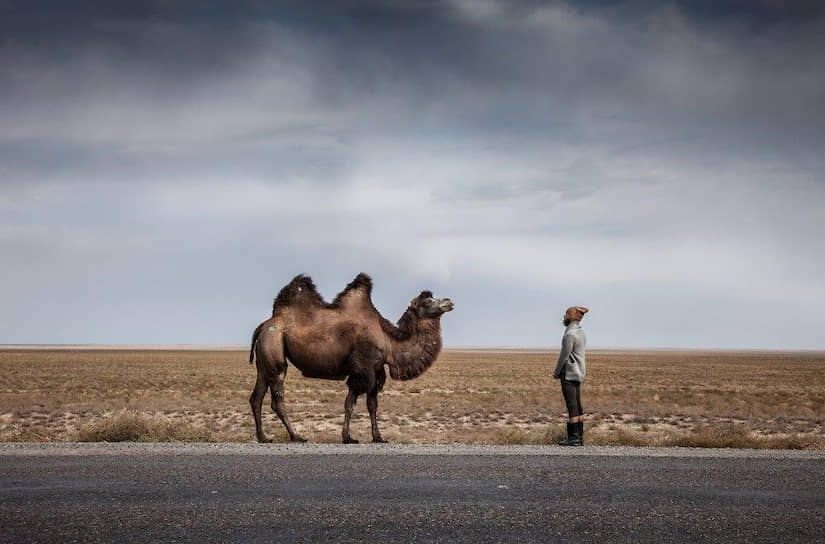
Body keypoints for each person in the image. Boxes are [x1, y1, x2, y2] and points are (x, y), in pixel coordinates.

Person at [552, 306, 589, 446]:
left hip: (569, 372)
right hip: (579, 371)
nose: (564, 315)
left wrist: (556, 372)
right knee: (577, 403)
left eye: (566, 313)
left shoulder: (570, 334)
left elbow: (564, 356)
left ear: (572, 316)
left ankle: (573, 438)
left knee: (571, 404)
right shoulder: (581, 332)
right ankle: (579, 437)